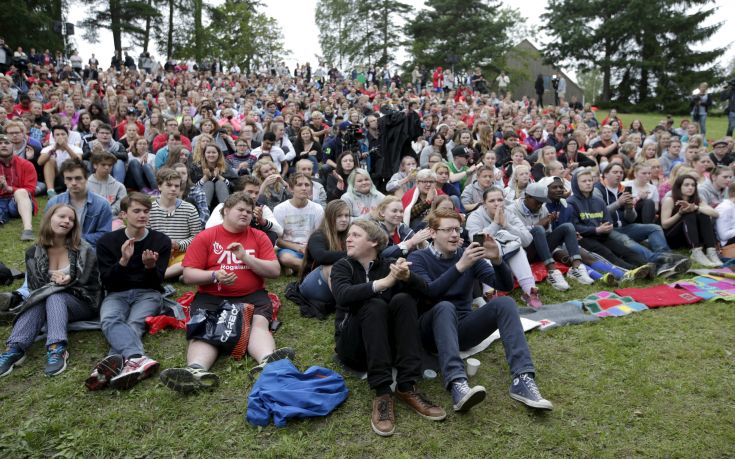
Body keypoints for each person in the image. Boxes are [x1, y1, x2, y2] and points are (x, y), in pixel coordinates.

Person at [409, 208, 553, 412]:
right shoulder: (418, 259)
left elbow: (504, 286)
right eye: (447, 230)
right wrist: (460, 266)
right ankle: (457, 382)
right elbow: (430, 292)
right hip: (431, 330)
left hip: (464, 330)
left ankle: (523, 378)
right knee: (445, 306)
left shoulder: (467, 254)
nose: (454, 235)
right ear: (432, 233)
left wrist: (497, 260)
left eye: (457, 230)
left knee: (505, 303)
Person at [160, 192, 293, 393]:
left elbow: (274, 271)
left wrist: (245, 258)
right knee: (206, 329)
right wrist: (215, 276)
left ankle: (268, 363)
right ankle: (195, 371)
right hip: (212, 295)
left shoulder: (259, 236)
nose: (246, 214)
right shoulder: (206, 236)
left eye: (249, 211)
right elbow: (188, 275)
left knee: (259, 323)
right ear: (226, 211)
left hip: (252, 294)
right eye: (240, 209)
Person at [330, 219, 446, 437]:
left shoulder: (390, 263)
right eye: (349, 235)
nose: (348, 238)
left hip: (387, 348)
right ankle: (383, 392)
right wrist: (382, 284)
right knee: (373, 304)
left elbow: (428, 293)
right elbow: (343, 295)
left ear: (373, 242)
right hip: (353, 348)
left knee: (403, 299)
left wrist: (407, 277)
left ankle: (406, 385)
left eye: (355, 235)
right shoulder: (342, 266)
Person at [0, 204, 100, 378]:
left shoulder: (84, 249)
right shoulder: (33, 252)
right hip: (47, 303)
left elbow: (93, 284)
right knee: (43, 297)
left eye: (71, 219)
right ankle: (15, 349)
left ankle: (57, 348)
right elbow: (34, 288)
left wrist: (70, 280)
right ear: (50, 218)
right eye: (62, 216)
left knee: (55, 296)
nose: (67, 221)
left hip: (83, 301)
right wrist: (53, 284)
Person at [86, 193, 172, 390]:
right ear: (123, 214)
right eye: (137, 211)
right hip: (116, 293)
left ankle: (107, 367)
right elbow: (107, 281)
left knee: (134, 323)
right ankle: (136, 358)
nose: (142, 215)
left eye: (146, 211)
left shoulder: (161, 241)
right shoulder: (107, 242)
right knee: (109, 320)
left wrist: (150, 267)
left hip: (148, 293)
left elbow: (157, 282)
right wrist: (123, 261)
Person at [506, 182, 595, 289]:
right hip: (524, 252)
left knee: (568, 227)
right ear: (527, 197)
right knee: (538, 229)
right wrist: (538, 225)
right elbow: (513, 236)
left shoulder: (543, 208)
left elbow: (547, 233)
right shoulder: (511, 210)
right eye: (538, 201)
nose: (540, 205)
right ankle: (552, 272)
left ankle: (577, 268)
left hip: (542, 250)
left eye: (542, 202)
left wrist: (549, 227)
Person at [465, 187, 543, 307]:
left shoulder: (509, 214)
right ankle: (490, 294)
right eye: (492, 201)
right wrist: (495, 224)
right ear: (484, 203)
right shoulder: (475, 216)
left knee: (518, 249)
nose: (497, 204)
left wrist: (506, 225)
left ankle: (530, 292)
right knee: (485, 251)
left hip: (506, 256)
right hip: (485, 258)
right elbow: (477, 242)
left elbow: (527, 240)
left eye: (500, 200)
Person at [149, 168, 203, 279]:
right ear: (159, 187)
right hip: (157, 253)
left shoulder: (189, 209)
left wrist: (179, 245)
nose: (173, 189)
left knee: (191, 259)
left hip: (180, 254)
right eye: (169, 185)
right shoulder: (149, 210)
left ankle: (160, 275)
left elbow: (197, 237)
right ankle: (174, 274)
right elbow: (145, 235)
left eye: (176, 186)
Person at [660, 174, 722, 267]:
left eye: (693, 185)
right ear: (679, 186)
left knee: (703, 214)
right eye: (687, 185)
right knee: (689, 214)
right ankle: (696, 252)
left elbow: (715, 214)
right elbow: (665, 225)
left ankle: (711, 251)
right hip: (674, 237)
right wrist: (680, 213)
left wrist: (696, 207)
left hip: (691, 237)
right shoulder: (670, 200)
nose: (690, 188)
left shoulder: (698, 200)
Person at [298, 200, 350, 303]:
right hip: (312, 285)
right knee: (331, 268)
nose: (344, 219)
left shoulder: (349, 235)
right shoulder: (318, 236)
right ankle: (343, 308)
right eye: (339, 216)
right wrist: (352, 254)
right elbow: (321, 256)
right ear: (329, 217)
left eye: (346, 216)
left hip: (336, 285)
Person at [206, 175, 283, 245]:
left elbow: (280, 231)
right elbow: (209, 228)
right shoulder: (224, 206)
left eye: (256, 193)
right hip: (229, 244)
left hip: (253, 246)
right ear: (238, 192)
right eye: (250, 192)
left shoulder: (262, 208)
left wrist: (262, 221)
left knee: (272, 234)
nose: (254, 196)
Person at [273, 173, 325, 273]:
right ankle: (313, 269)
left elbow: (320, 235)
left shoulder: (318, 209)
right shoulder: (280, 209)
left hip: (311, 247)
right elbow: (278, 240)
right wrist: (298, 247)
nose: (304, 188)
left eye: (307, 185)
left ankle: (296, 268)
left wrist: (310, 248)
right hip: (289, 249)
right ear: (291, 189)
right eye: (299, 185)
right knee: (286, 258)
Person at [0, 133, 37, 240]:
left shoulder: (26, 164)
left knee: (20, 192)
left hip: (18, 201)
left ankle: (27, 230)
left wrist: (10, 189)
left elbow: (31, 190)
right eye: (0, 143)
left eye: (7, 143)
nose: (3, 145)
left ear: (13, 146)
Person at [38, 125, 83, 196]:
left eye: (63, 134)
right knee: (49, 161)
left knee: (71, 161)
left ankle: (70, 189)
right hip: (54, 177)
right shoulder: (49, 148)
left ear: (67, 136)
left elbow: (79, 162)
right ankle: (50, 191)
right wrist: (54, 149)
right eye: (57, 135)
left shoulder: (75, 148)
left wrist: (66, 147)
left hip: (70, 176)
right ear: (54, 137)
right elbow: (40, 162)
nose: (60, 137)